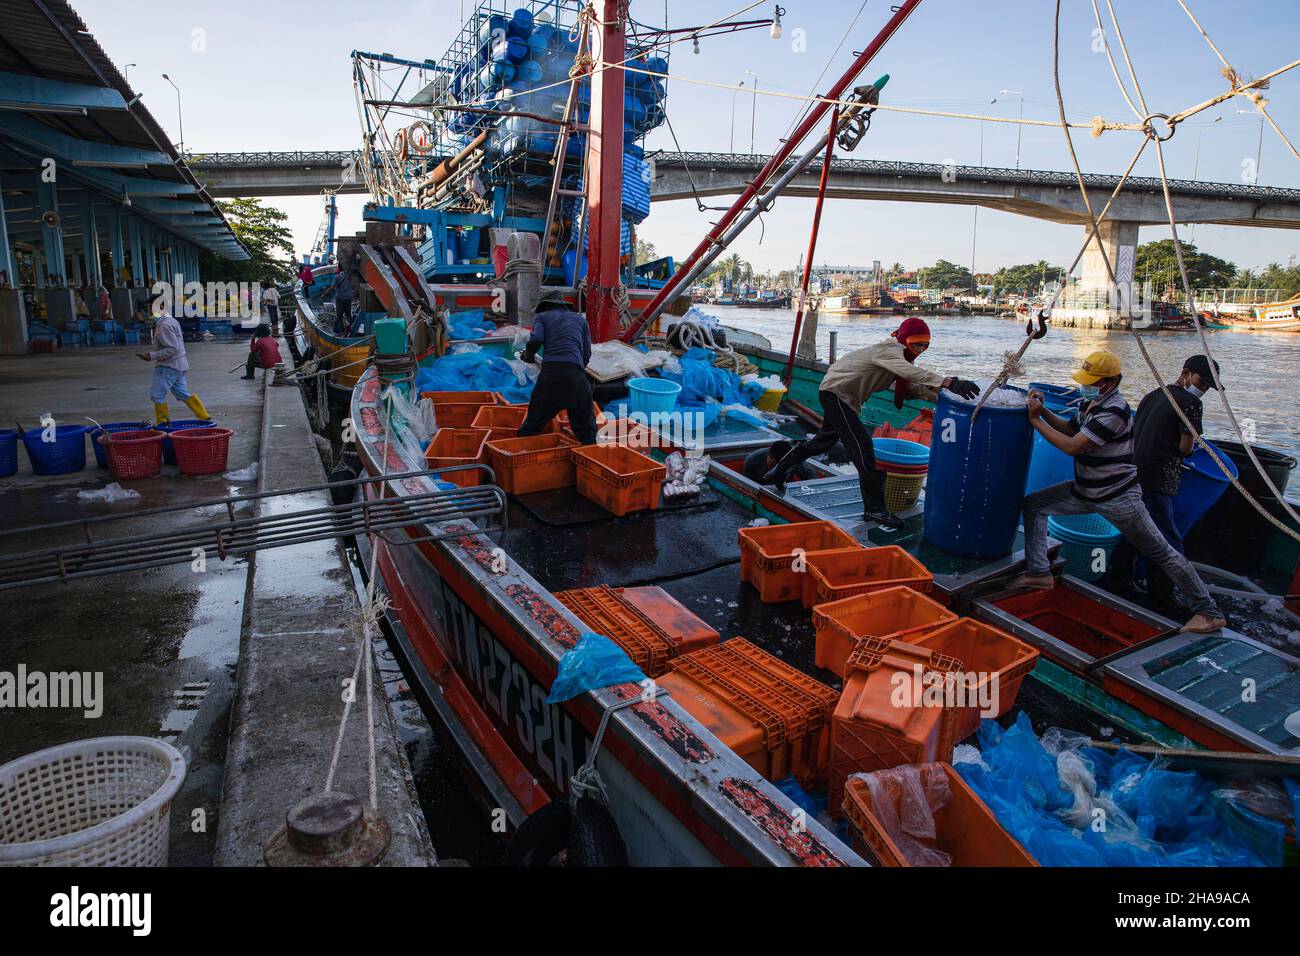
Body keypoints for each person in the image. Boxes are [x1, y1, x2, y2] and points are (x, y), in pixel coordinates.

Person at [1012, 350, 1226, 634]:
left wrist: (1035, 420)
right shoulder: (1091, 402)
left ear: (1109, 383)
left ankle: (1208, 611)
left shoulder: (1114, 410)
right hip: (1087, 490)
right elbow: (1069, 427)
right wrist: (1044, 411)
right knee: (1035, 506)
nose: (1084, 385)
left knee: (1163, 551)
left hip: (1118, 498)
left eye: (1091, 381)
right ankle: (1039, 573)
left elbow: (1072, 446)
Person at [763, 317, 979, 526]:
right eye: (916, 344)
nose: (920, 350)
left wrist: (948, 397)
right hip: (837, 393)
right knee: (863, 447)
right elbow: (910, 373)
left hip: (840, 396)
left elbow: (912, 388)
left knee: (822, 442)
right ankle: (874, 509)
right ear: (904, 339)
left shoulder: (900, 360)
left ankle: (778, 471)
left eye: (925, 345)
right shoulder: (890, 350)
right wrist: (948, 382)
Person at [1107, 354, 1220, 602]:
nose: (1202, 389)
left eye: (1207, 387)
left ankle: (1115, 579)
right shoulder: (1190, 403)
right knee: (1168, 539)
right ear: (1186, 373)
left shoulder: (1153, 395)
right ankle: (1162, 595)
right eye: (1201, 382)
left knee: (1136, 530)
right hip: (1160, 479)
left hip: (1134, 474)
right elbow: (1185, 448)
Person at [516, 291, 597, 444]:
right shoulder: (580, 321)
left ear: (545, 306)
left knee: (532, 426)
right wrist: (575, 372)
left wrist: (528, 356)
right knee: (588, 434)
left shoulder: (542, 317)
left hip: (551, 376)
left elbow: (537, 339)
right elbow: (586, 353)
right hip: (577, 376)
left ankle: (518, 452)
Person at [137, 291, 209, 425]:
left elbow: (172, 348)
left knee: (157, 394)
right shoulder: (170, 321)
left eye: (151, 307)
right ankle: (204, 416)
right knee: (182, 392)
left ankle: (163, 422)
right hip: (178, 365)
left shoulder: (164, 325)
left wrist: (152, 356)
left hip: (169, 366)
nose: (149, 310)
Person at [743, 439, 813, 485]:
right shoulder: (752, 460)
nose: (775, 468)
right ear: (770, 456)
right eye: (774, 465)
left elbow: (811, 477)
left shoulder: (793, 459)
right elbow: (748, 484)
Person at [328, 268, 353, 335]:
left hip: (340, 298)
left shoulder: (337, 277)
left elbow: (332, 287)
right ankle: (349, 327)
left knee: (339, 316)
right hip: (348, 298)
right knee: (348, 314)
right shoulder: (350, 276)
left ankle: (341, 332)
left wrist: (324, 294)